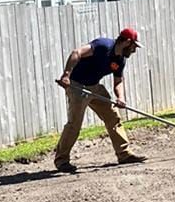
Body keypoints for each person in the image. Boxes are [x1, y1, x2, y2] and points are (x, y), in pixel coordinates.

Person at [53, 27, 147, 173]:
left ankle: (124, 154)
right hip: (77, 86)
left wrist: (120, 97)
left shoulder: (120, 60)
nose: (134, 50)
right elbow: (76, 53)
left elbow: (118, 81)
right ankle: (61, 160)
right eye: (134, 46)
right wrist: (66, 75)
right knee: (74, 124)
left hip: (94, 87)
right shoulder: (103, 46)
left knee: (112, 116)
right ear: (127, 42)